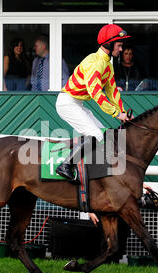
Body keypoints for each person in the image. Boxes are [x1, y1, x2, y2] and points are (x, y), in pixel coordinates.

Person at [55, 24, 133, 181]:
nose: (121, 49)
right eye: (119, 45)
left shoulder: (107, 65)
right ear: (109, 44)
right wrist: (117, 114)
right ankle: (65, 166)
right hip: (67, 103)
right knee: (95, 134)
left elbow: (112, 92)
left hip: (77, 103)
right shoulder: (94, 62)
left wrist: (123, 112)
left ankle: (95, 172)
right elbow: (96, 94)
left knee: (102, 133)